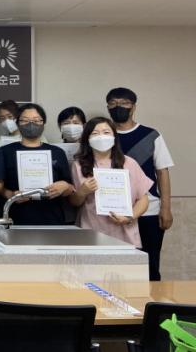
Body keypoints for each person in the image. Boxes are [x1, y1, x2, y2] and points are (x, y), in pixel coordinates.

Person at [106, 87, 174, 280]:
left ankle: (151, 299)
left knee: (149, 264)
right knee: (115, 266)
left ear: (134, 107)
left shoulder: (151, 135)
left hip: (149, 210)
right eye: (113, 103)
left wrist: (166, 208)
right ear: (108, 107)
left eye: (124, 103)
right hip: (112, 212)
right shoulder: (103, 136)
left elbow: (162, 171)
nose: (118, 107)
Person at [69, 117, 152, 247]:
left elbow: (143, 199)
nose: (101, 137)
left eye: (106, 132)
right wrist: (82, 192)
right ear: (87, 139)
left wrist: (129, 217)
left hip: (125, 232)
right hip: (91, 230)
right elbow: (74, 202)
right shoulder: (79, 165)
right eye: (95, 133)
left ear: (114, 137)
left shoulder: (129, 163)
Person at [0, 103, 74, 225]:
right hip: (15, 218)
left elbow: (70, 189)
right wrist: (11, 195)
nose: (31, 124)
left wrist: (65, 186)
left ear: (43, 123)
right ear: (17, 123)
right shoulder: (3, 152)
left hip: (51, 218)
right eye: (25, 120)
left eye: (36, 120)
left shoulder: (57, 152)